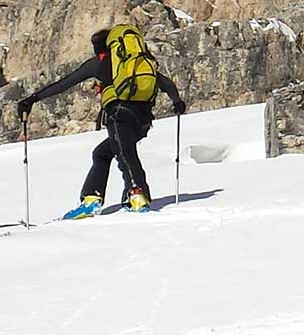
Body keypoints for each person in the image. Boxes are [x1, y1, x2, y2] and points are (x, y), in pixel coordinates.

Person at [17, 25, 186, 218]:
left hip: (119, 115)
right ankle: (93, 197)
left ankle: (136, 194)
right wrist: (177, 103)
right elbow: (167, 85)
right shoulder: (138, 63)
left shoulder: (99, 63)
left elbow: (65, 83)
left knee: (125, 154)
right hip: (143, 120)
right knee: (102, 153)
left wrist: (32, 99)